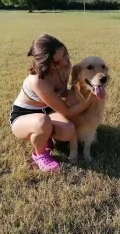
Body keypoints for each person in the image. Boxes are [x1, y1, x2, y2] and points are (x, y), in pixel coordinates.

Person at [9, 34, 86, 172]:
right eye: (57, 62)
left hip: (46, 112)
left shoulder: (66, 66)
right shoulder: (38, 81)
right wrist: (86, 103)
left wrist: (81, 93)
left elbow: (62, 93)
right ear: (47, 64)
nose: (65, 61)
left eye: (65, 54)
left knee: (68, 130)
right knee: (42, 122)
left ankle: (44, 135)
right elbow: (66, 111)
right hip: (23, 118)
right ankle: (39, 154)